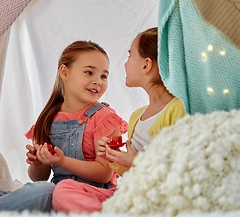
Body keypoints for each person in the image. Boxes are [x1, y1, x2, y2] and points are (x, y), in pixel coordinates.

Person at [0, 40, 127, 213]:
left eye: (103, 76)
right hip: (56, 195)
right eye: (89, 72)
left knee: (46, 192)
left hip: (91, 196)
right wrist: (39, 162)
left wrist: (62, 161)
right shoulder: (47, 120)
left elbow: (104, 173)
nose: (97, 81)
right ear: (64, 72)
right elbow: (40, 176)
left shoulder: (104, 118)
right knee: (38, 190)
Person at [52, 27, 186, 213]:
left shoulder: (177, 110)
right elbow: (129, 172)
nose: (125, 64)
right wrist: (114, 158)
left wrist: (136, 162)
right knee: (63, 190)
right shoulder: (136, 117)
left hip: (157, 200)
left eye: (130, 56)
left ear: (146, 65)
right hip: (130, 195)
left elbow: (183, 168)